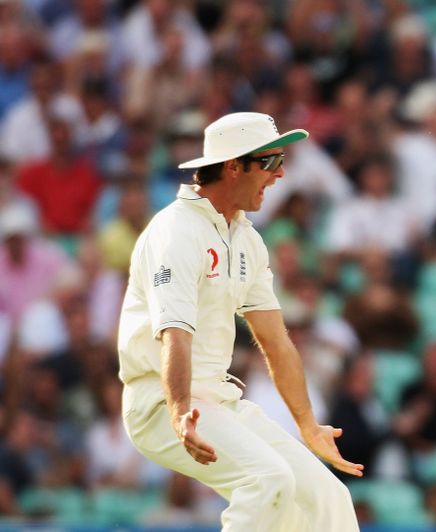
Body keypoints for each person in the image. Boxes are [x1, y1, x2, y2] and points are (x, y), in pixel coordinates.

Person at [117, 112, 361, 531]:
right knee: (268, 480)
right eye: (269, 162)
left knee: (327, 497)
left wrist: (307, 424)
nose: (281, 173)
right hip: (161, 402)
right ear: (233, 166)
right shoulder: (175, 231)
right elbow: (173, 332)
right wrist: (179, 412)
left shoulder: (245, 238)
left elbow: (276, 341)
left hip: (219, 401)